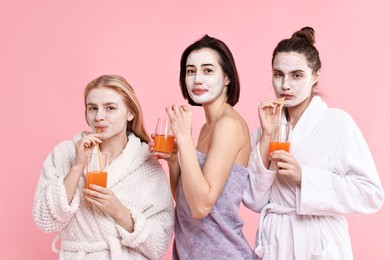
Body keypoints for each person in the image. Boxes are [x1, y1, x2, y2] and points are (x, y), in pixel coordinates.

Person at [243, 27, 385, 259]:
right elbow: (253, 200)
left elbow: (370, 194)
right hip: (276, 241)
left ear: (315, 75)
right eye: (278, 74)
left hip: (319, 242)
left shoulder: (338, 123)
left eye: (297, 75)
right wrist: (267, 137)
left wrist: (305, 177)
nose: (285, 85)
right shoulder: (264, 130)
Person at [33, 75, 174, 259]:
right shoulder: (64, 153)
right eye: (93, 108)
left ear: (130, 113)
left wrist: (119, 211)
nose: (99, 116)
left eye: (110, 108)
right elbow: (45, 220)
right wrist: (77, 167)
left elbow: (159, 243)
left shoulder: (147, 163)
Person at [149, 35, 254, 259]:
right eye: (190, 71)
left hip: (221, 252)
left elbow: (201, 206)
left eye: (208, 71)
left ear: (227, 77)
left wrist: (186, 140)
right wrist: (175, 159)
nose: (197, 79)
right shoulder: (208, 126)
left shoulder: (229, 126)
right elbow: (186, 199)